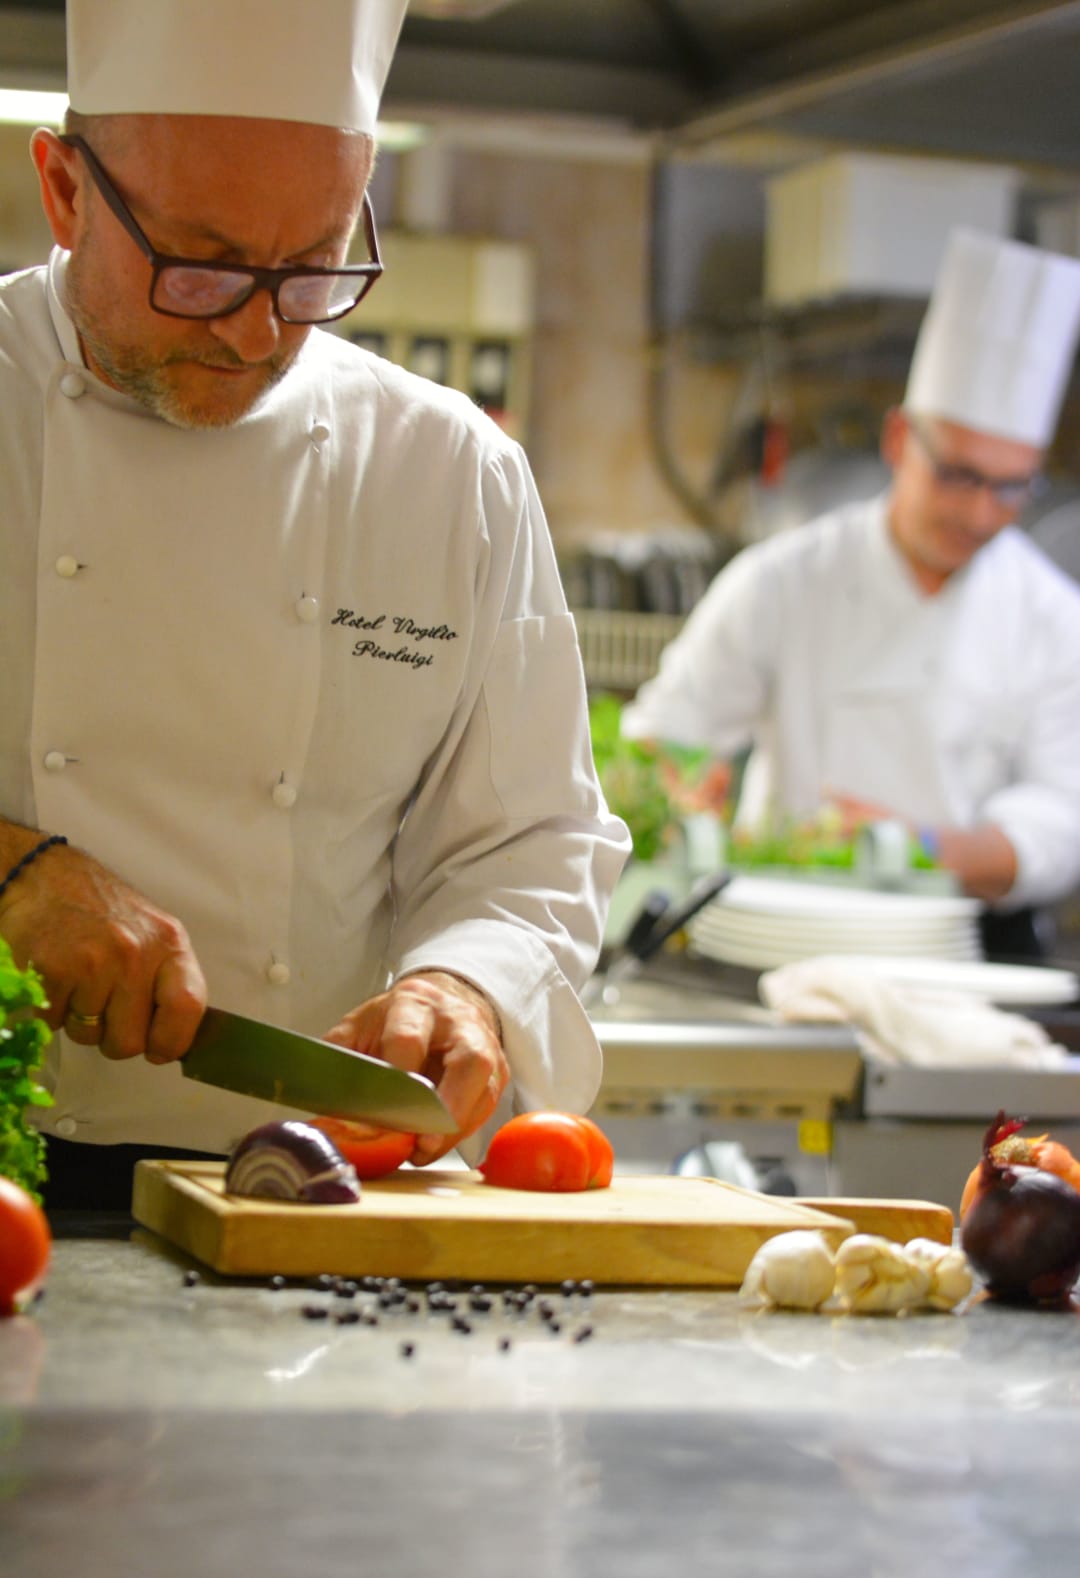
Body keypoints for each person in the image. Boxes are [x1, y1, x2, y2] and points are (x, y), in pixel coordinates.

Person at [0, 0, 630, 1208]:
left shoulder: (447, 473)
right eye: (200, 267)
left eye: (309, 269)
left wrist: (467, 982)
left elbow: (528, 840)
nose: (254, 334)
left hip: (307, 1194)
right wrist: (13, 871)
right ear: (66, 191)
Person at [622, 227, 1080, 957]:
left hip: (962, 954)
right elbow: (670, 735)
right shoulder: (784, 580)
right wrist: (679, 794)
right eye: (957, 475)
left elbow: (1063, 815)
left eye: (1009, 487)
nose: (978, 512)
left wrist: (918, 847)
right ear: (899, 440)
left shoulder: (1053, 618)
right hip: (778, 941)